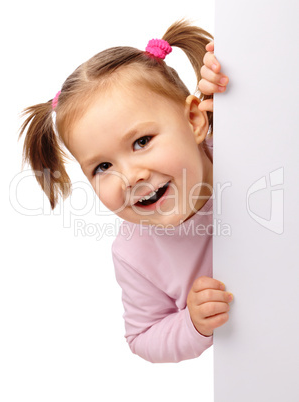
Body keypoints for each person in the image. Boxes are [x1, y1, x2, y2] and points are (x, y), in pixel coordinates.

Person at [19, 20, 231, 363]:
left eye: (141, 141)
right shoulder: (135, 254)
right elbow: (142, 337)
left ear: (193, 120)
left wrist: (239, 86)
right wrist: (192, 323)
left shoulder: (242, 143)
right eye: (103, 167)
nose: (130, 177)